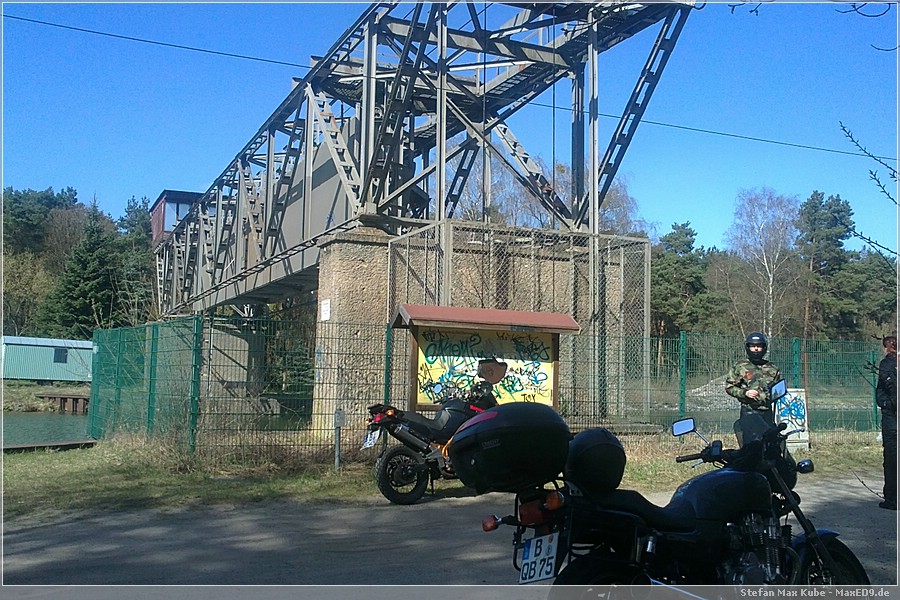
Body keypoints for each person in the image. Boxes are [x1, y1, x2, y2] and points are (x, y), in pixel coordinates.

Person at [726, 332, 782, 446]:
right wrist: (745, 393)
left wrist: (772, 396)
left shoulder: (773, 368)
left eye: (759, 346)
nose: (756, 349)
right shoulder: (740, 366)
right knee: (751, 446)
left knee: (770, 445)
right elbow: (729, 387)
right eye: (753, 346)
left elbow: (778, 390)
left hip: (767, 412)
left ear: (764, 347)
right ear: (748, 347)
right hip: (749, 411)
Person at [876, 335, 897, 511]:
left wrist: (888, 404)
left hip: (892, 417)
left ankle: (892, 498)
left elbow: (890, 388)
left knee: (891, 457)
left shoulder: (888, 364)